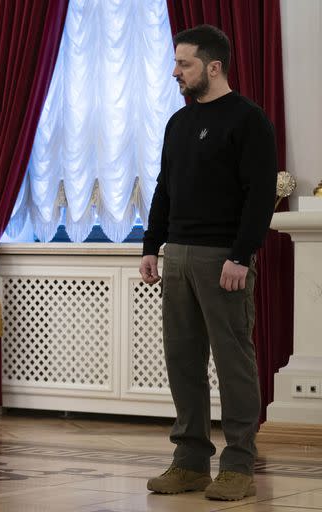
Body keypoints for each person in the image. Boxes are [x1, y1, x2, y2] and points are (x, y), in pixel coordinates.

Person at [140, 25, 277, 501]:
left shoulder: (249, 120)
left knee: (234, 362)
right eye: (176, 63)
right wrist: (150, 246)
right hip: (176, 256)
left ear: (213, 67)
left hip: (224, 260)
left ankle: (238, 464)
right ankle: (191, 460)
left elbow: (260, 195)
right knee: (183, 360)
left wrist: (242, 255)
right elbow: (165, 189)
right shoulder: (178, 124)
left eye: (185, 64)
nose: (175, 71)